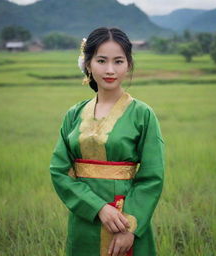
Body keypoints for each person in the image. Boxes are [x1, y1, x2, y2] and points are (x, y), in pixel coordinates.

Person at [49, 27, 165, 256]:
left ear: (129, 65)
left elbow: (152, 176)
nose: (110, 70)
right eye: (101, 60)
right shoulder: (74, 114)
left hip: (126, 220)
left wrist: (130, 226)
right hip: (85, 219)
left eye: (118, 61)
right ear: (88, 64)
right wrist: (98, 207)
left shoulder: (143, 114)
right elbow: (59, 170)